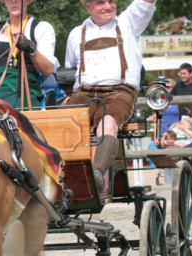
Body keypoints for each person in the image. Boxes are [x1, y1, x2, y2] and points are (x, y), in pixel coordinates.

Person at [64, 0, 156, 191]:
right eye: (100, 3)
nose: (108, 6)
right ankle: (60, 178)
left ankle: (97, 176)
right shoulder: (76, 33)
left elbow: (146, 2)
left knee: (107, 124)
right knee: (62, 124)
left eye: (111, 1)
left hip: (119, 92)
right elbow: (70, 68)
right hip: (83, 93)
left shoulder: (128, 22)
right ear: (87, 7)